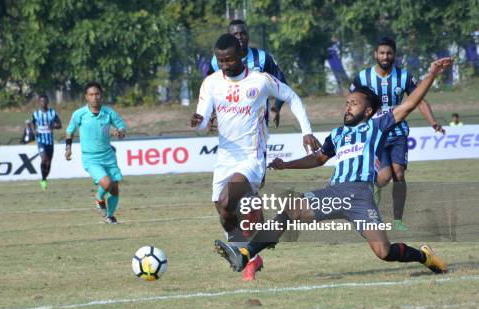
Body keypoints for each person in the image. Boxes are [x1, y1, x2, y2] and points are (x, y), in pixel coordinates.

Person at [215, 57, 454, 276]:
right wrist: (287, 164)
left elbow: (410, 103)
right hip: (335, 192)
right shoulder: (338, 134)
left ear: (368, 110)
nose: (348, 107)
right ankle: (246, 253)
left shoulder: (377, 126)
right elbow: (318, 158)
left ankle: (424, 256)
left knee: (384, 252)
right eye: (347, 103)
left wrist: (431, 74)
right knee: (290, 210)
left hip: (360, 195)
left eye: (354, 104)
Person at [192, 34, 319, 281]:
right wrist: (199, 123)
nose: (225, 65)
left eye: (229, 59)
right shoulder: (210, 83)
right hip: (225, 157)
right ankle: (248, 254)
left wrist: (307, 131)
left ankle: (252, 221)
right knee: (224, 213)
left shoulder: (260, 80)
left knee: (230, 198)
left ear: (240, 54)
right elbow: (203, 120)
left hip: (252, 156)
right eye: (220, 61)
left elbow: (291, 96)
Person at [350, 37, 445, 232]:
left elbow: (418, 100)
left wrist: (433, 122)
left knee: (399, 174)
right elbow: (353, 101)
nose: (385, 56)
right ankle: (370, 202)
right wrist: (353, 124)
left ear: (394, 55)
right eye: (382, 53)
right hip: (375, 134)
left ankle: (398, 220)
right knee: (384, 177)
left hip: (399, 133)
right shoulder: (363, 77)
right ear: (376, 54)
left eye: (389, 53)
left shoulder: (404, 77)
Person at [65, 82, 126, 224]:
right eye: (91, 94)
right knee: (106, 183)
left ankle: (109, 216)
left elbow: (121, 127)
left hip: (108, 156)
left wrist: (120, 132)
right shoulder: (79, 114)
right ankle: (99, 199)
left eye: (97, 94)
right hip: (91, 158)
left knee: (115, 189)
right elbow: (69, 131)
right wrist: (68, 148)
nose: (95, 97)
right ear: (86, 97)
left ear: (101, 96)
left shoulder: (108, 113)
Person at [208, 19, 288, 128]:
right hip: (229, 124)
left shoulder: (262, 57)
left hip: (257, 126)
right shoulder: (217, 61)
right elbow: (209, 89)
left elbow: (282, 84)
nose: (239, 37)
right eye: (235, 34)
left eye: (243, 33)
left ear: (248, 36)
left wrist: (276, 107)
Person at [30, 94, 62, 190]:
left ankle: (44, 177)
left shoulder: (52, 113)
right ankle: (43, 179)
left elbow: (59, 124)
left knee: (48, 163)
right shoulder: (36, 114)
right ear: (39, 103)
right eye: (41, 101)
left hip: (50, 141)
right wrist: (34, 131)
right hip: (40, 140)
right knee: (44, 159)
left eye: (45, 101)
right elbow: (32, 123)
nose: (43, 103)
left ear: (47, 102)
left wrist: (53, 126)